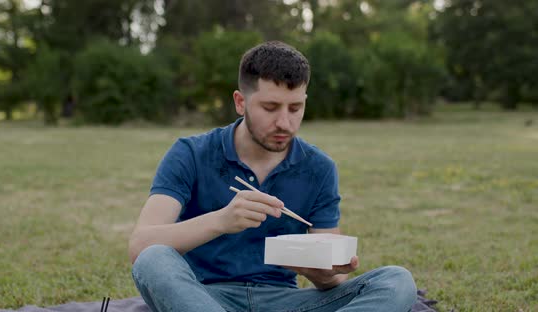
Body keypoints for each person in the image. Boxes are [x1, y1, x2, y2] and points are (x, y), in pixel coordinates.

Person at [129, 41, 417, 312]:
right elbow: (141, 246)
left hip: (285, 301)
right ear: (241, 102)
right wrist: (221, 220)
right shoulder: (190, 153)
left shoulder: (319, 167)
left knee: (396, 281)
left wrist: (322, 274)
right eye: (270, 108)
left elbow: (330, 274)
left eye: (295, 108)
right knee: (154, 259)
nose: (284, 122)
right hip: (203, 297)